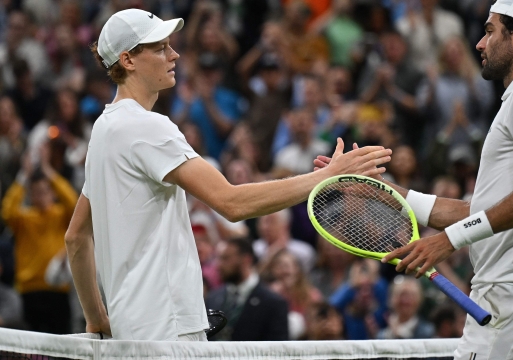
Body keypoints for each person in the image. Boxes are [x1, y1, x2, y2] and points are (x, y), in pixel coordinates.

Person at [64, 9, 391, 342]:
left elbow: (75, 238)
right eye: (160, 47)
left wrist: (97, 319)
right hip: (167, 330)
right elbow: (231, 202)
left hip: (128, 332)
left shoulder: (103, 131)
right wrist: (328, 176)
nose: (174, 54)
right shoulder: (147, 128)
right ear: (127, 60)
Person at [316, 0, 513, 357]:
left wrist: (448, 242)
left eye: (490, 31)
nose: (480, 43)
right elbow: (479, 211)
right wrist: (378, 192)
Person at [2, 145, 77, 334]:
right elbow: (7, 210)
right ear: (31, 195)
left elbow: (72, 201)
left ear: (52, 193)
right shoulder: (24, 219)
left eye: (45, 191)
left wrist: (47, 170)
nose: (41, 196)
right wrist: (24, 176)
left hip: (58, 290)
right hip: (30, 290)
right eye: (36, 192)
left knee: (63, 346)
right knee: (33, 350)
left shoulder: (61, 215)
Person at [205, 238, 289, 341]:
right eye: (218, 258)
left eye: (225, 258)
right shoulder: (212, 298)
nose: (218, 265)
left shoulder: (273, 303)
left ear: (246, 259)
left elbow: (277, 349)